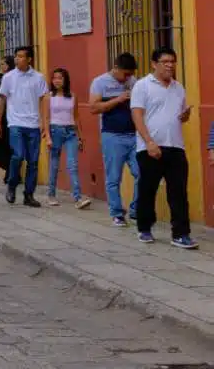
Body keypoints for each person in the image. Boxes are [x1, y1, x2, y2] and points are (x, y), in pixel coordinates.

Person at [130, 47, 197, 249]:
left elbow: (177, 115)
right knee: (147, 190)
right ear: (154, 64)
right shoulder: (143, 86)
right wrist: (149, 142)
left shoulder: (179, 88)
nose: (170, 65)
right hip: (150, 147)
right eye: (165, 61)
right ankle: (144, 227)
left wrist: (185, 117)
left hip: (175, 146)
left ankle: (180, 234)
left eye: (173, 61)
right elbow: (137, 115)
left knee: (178, 192)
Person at [89, 52, 140, 227]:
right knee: (114, 177)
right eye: (125, 74)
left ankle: (135, 210)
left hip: (134, 135)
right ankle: (117, 213)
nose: (128, 78)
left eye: (130, 74)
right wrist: (117, 100)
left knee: (142, 173)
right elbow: (93, 108)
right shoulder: (100, 82)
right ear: (116, 68)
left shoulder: (133, 82)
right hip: (112, 135)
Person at [0, 46, 48, 207]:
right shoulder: (9, 77)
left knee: (33, 161)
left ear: (29, 59)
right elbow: (2, 99)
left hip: (33, 124)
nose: (17, 59)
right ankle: (12, 184)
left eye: (21, 56)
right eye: (16, 56)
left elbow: (43, 100)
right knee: (17, 155)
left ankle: (29, 194)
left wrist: (44, 123)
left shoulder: (38, 78)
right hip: (15, 123)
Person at [46, 67, 91, 209]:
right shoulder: (48, 97)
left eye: (60, 78)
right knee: (54, 164)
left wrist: (80, 137)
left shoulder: (72, 95)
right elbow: (45, 118)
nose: (57, 81)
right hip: (55, 131)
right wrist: (47, 136)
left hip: (71, 132)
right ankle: (51, 194)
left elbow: (76, 117)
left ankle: (78, 198)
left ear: (65, 80)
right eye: (54, 78)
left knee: (72, 165)